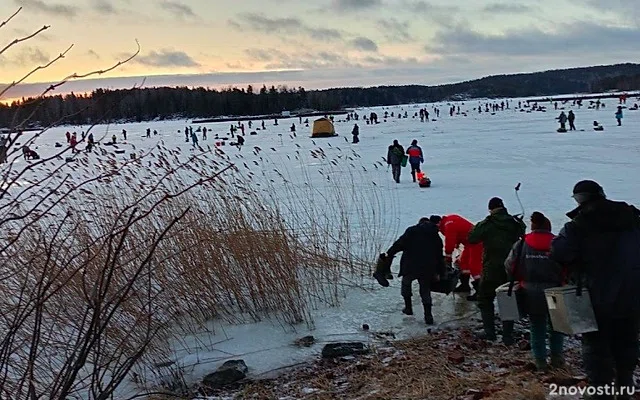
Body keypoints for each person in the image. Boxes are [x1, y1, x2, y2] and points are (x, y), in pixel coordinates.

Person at [550, 180, 640, 398]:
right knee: (627, 343)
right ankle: (625, 387)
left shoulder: (578, 226)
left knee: (597, 349)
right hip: (633, 295)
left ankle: (601, 393)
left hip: (596, 297)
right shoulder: (633, 218)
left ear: (580, 200)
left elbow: (559, 252)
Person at [505, 212, 565, 371]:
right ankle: (557, 359)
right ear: (548, 227)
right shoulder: (557, 243)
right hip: (555, 291)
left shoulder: (522, 243)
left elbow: (510, 265)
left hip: (530, 291)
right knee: (557, 325)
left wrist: (520, 279)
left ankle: (540, 362)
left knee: (537, 326)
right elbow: (569, 266)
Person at [468, 197, 526, 344]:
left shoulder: (488, 224)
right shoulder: (514, 222)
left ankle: (490, 333)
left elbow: (472, 238)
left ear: (491, 209)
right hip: (511, 268)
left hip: (491, 267)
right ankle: (507, 335)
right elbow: (523, 230)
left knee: (485, 298)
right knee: (508, 298)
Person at [383, 217, 446, 325]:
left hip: (410, 266)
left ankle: (408, 308)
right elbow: (439, 257)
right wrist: (441, 272)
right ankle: (428, 316)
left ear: (419, 223)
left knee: (406, 284)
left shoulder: (412, 231)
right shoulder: (435, 236)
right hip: (427, 268)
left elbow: (399, 244)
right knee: (425, 290)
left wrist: (389, 253)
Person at [430, 214, 483, 301]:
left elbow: (449, 242)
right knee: (463, 263)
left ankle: (481, 292)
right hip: (469, 243)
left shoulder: (448, 225)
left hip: (477, 243)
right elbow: (459, 232)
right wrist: (457, 242)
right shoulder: (450, 220)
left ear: (438, 223)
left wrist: (448, 258)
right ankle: (465, 286)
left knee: (474, 267)